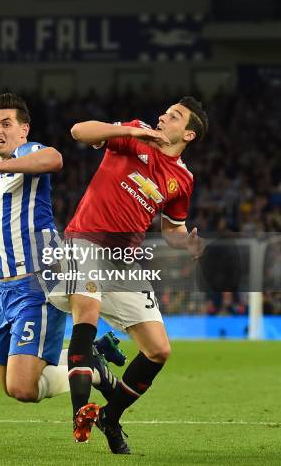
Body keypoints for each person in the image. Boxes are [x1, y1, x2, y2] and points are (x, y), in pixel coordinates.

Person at [0, 85, 118, 404]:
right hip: (7, 289)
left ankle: (93, 367)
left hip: (36, 283)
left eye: (6, 124)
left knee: (23, 388)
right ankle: (88, 354)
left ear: (24, 129)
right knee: (8, 384)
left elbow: (55, 158)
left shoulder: (28, 153)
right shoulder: (0, 162)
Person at [48, 97, 208, 453]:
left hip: (125, 259)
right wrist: (131, 130)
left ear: (189, 134)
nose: (164, 116)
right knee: (86, 313)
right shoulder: (133, 134)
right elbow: (78, 131)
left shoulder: (182, 178)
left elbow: (172, 229)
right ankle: (80, 413)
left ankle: (110, 416)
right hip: (85, 241)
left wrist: (187, 244)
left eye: (175, 116)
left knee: (158, 350)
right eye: (166, 111)